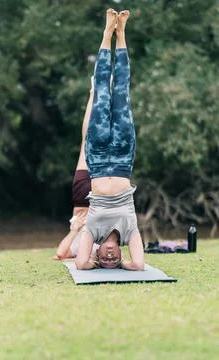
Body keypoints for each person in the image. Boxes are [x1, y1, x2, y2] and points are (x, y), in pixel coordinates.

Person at [74, 9, 145, 271]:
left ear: (98, 252)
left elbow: (81, 263)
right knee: (122, 91)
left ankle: (107, 34)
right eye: (114, 260)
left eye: (105, 259)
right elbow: (138, 264)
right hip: (124, 157)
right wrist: (124, 265)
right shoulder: (130, 232)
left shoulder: (92, 231)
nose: (110, 258)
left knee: (102, 92)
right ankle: (122, 34)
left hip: (98, 157)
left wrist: (94, 264)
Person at [53, 77, 99, 260]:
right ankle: (103, 94)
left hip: (82, 199)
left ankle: (94, 93)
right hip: (101, 196)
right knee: (102, 139)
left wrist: (75, 230)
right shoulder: (98, 251)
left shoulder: (74, 247)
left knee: (87, 140)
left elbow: (59, 254)